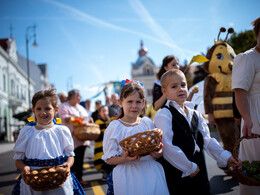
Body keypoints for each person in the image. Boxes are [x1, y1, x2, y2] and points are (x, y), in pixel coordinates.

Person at [153, 69, 241, 194]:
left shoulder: (195, 114)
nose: (180, 89)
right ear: (164, 91)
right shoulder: (163, 115)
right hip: (179, 172)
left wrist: (225, 157)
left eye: (183, 85)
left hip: (200, 170)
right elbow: (167, 146)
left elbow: (207, 140)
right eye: (174, 86)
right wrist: (189, 167)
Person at [102, 80, 169, 195]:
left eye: (138, 102)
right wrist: (124, 159)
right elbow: (109, 158)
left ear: (143, 103)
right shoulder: (114, 127)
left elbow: (157, 147)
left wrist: (158, 153)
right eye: (130, 101)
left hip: (151, 172)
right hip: (128, 175)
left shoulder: (147, 123)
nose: (134, 106)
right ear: (120, 102)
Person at [12, 88, 85, 195]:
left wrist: (68, 165)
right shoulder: (26, 132)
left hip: (59, 181)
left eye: (47, 108)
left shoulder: (62, 131)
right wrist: (24, 168)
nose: (43, 112)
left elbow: (70, 155)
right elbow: (18, 160)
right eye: (39, 109)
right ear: (33, 110)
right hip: (33, 182)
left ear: (56, 110)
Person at [232, 16, 260, 195]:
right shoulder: (247, 58)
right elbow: (240, 91)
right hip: (256, 114)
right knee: (256, 168)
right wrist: (247, 119)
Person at [58, 89, 90, 186]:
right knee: (71, 160)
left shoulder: (80, 107)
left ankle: (79, 178)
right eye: (79, 96)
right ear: (73, 97)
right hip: (70, 138)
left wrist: (80, 119)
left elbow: (86, 117)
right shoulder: (64, 106)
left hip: (82, 137)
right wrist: (75, 118)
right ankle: (69, 180)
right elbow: (64, 117)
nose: (80, 98)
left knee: (80, 160)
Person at [94, 105, 113, 180]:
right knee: (102, 160)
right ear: (100, 113)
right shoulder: (98, 122)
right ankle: (105, 173)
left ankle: (108, 173)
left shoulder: (110, 121)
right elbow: (97, 134)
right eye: (103, 111)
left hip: (109, 144)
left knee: (110, 159)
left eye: (106, 111)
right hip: (100, 144)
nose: (105, 113)